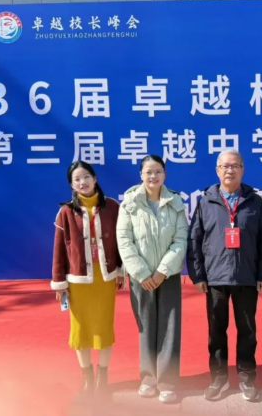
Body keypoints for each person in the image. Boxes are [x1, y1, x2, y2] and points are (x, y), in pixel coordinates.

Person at [187, 149, 262, 402]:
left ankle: (247, 377)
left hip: (246, 276)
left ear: (242, 170)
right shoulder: (206, 201)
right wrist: (198, 275)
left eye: (235, 166)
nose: (230, 170)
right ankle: (218, 377)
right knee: (216, 330)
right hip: (215, 277)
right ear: (217, 171)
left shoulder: (254, 201)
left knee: (247, 330)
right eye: (225, 166)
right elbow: (194, 240)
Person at [116, 155, 188, 404]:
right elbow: (124, 240)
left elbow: (181, 239)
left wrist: (162, 271)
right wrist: (143, 273)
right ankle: (148, 378)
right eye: (148, 172)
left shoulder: (175, 201)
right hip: (141, 277)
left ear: (165, 174)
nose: (153, 176)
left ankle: (167, 381)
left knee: (169, 328)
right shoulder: (130, 203)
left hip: (168, 275)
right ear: (141, 175)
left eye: (158, 171)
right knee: (146, 327)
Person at [51, 161, 125, 400]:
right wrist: (60, 283)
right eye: (77, 180)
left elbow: (122, 241)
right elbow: (59, 250)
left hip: (104, 279)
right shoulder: (66, 212)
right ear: (72, 185)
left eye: (86, 177)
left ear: (95, 178)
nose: (82, 182)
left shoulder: (112, 207)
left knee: (103, 328)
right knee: (80, 331)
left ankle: (103, 379)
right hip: (78, 281)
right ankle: (87, 380)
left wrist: (121, 270)